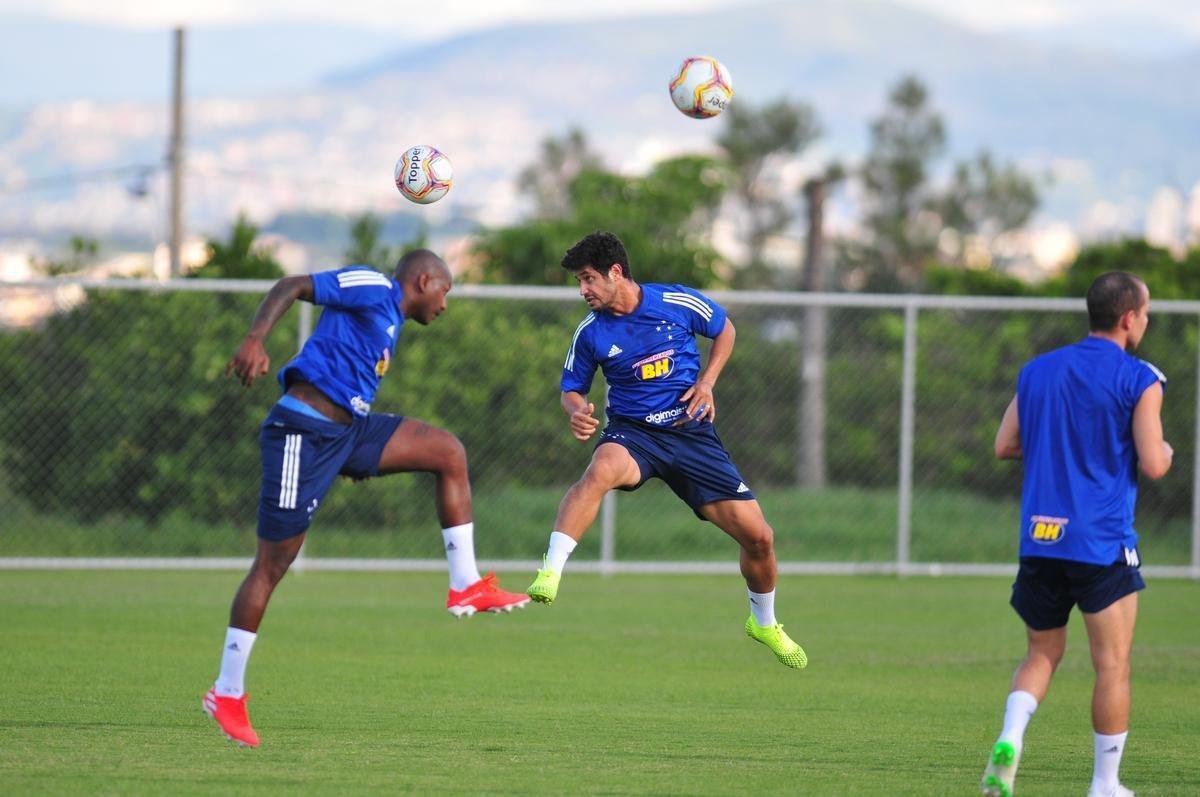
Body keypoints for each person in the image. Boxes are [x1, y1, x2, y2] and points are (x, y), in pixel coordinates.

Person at [204, 250, 529, 748]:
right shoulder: (374, 287)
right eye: (445, 292)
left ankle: (465, 583)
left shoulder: (392, 323)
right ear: (423, 281)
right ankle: (227, 692)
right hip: (302, 433)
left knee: (447, 451)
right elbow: (292, 284)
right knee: (270, 567)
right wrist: (254, 338)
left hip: (348, 434)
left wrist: (354, 461)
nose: (445, 305)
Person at [523, 231, 807, 670]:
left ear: (616, 273)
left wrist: (708, 382)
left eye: (588, 279)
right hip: (634, 435)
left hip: (692, 435)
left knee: (760, 538)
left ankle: (764, 623)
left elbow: (725, 328)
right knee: (599, 471)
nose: (583, 291)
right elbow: (571, 390)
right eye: (579, 282)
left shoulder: (676, 303)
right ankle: (551, 570)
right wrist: (577, 411)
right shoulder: (591, 333)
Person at [981, 272, 1172, 797]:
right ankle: (1105, 784)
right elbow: (1154, 462)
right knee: (1112, 665)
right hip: (1101, 542)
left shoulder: (1038, 371)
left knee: (1041, 653)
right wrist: (1164, 452)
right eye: (1146, 313)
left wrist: (1058, 448)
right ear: (1129, 318)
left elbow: (1005, 444)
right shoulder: (1141, 378)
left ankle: (1011, 737)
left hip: (1040, 538)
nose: (1147, 322)